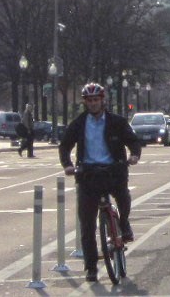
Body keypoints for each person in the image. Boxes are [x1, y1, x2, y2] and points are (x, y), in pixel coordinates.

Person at [59, 82, 142, 283]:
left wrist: (134, 155)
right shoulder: (79, 123)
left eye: (96, 100)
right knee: (87, 224)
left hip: (114, 170)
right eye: (90, 100)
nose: (93, 103)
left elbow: (133, 141)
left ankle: (123, 223)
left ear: (103, 101)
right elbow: (65, 146)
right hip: (88, 173)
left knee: (123, 196)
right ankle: (91, 268)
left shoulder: (116, 122)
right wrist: (68, 165)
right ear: (85, 103)